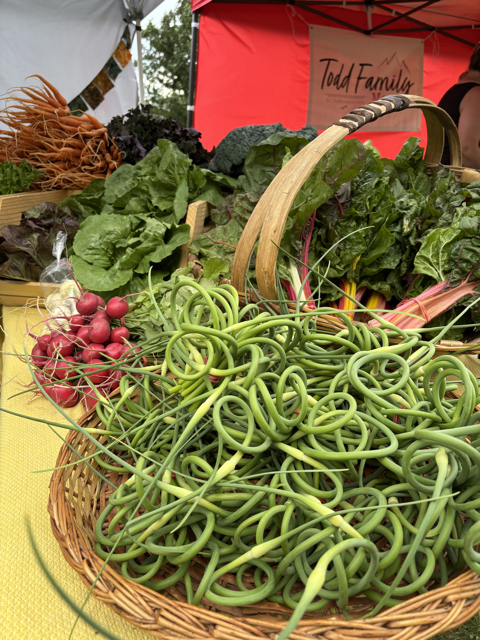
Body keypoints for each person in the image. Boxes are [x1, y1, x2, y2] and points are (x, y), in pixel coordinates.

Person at [438, 43, 480, 169]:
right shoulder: (475, 93)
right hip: (457, 181)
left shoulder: (457, 90)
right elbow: (467, 151)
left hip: (445, 177)